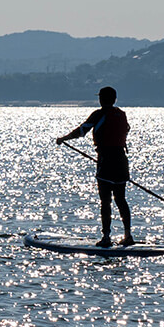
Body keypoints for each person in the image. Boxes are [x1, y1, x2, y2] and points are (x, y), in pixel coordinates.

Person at [55, 86, 134, 247]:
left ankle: (106, 238)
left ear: (102, 99)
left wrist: (63, 139)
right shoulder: (121, 114)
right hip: (121, 160)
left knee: (105, 201)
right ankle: (128, 235)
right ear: (115, 99)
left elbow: (82, 131)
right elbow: (126, 130)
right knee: (121, 199)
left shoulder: (99, 114)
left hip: (106, 161)